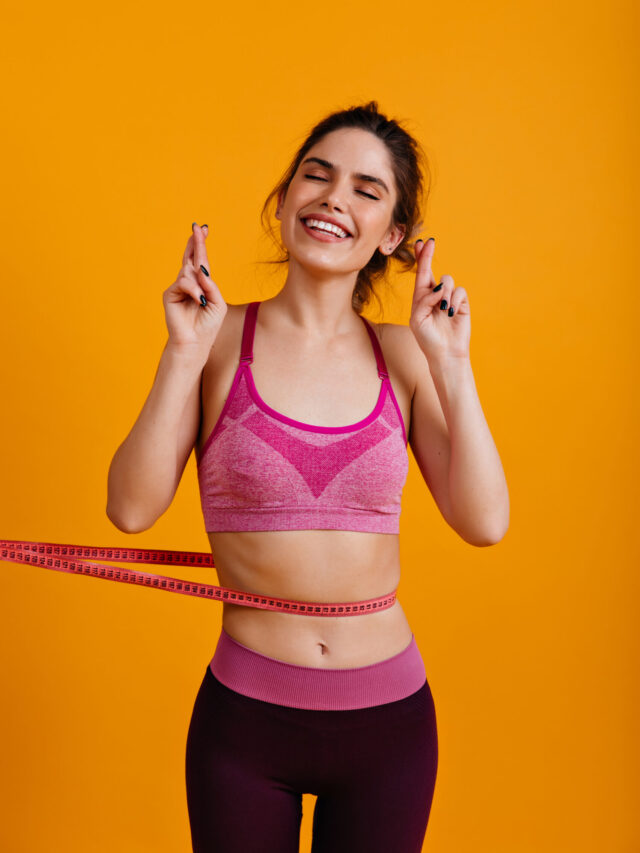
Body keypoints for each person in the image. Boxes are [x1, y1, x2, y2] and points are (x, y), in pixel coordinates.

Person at [106, 100, 509, 853]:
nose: (333, 198)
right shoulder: (216, 336)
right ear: (286, 199)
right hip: (246, 723)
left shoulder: (407, 356)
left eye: (366, 188)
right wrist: (180, 354)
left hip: (390, 722)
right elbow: (129, 509)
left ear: (393, 235)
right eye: (316, 176)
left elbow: (485, 522)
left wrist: (453, 365)